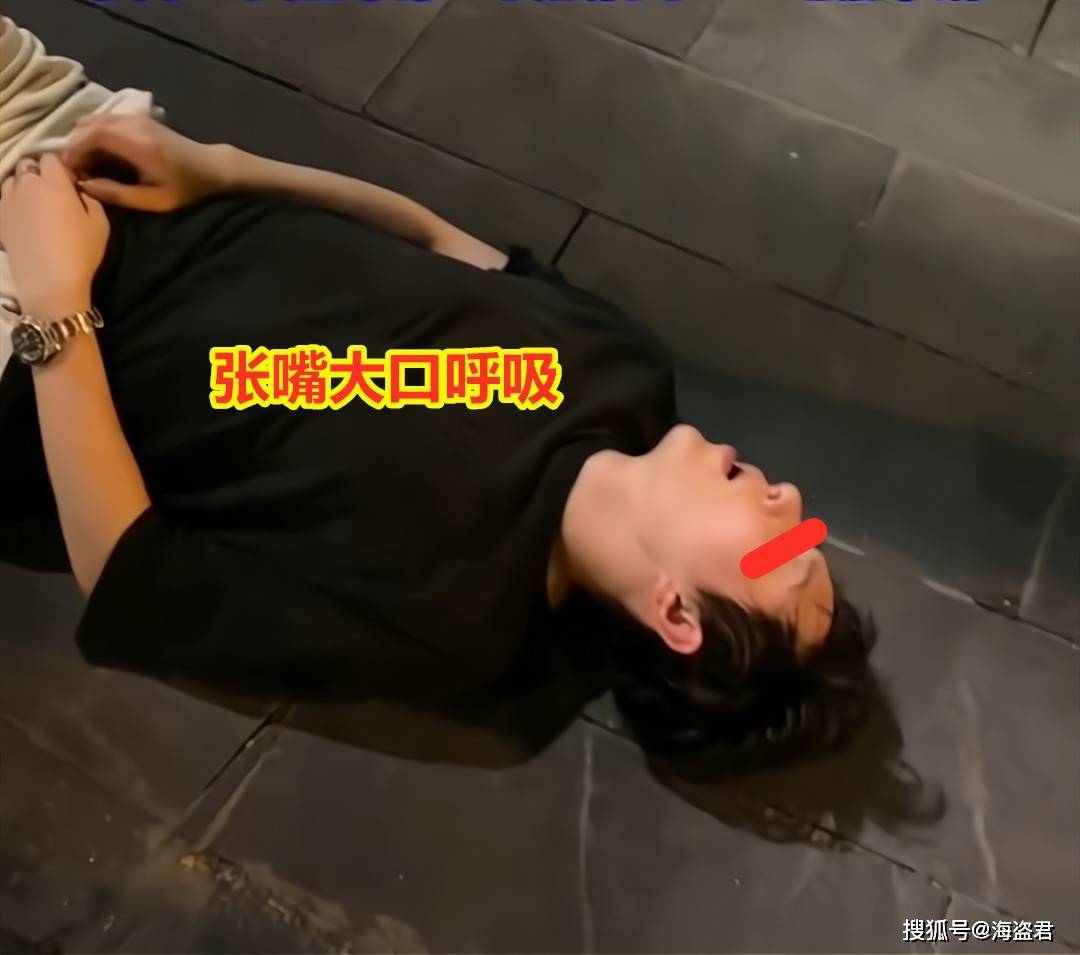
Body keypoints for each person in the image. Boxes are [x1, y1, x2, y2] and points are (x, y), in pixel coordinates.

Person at [0, 115, 875, 770]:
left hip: (28, 339)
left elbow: (129, 572)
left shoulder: (453, 613)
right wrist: (219, 168)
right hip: (98, 157)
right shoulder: (627, 369)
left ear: (676, 613)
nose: (789, 499)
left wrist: (56, 301)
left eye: (782, 556)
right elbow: (430, 237)